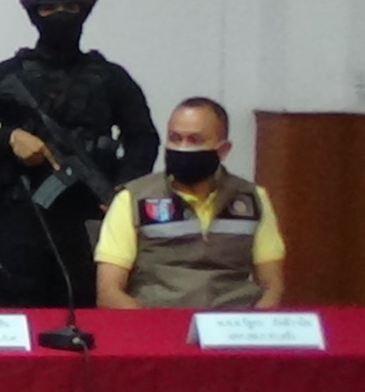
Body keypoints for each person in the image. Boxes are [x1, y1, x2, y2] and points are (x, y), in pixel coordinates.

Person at [0, 0, 157, 307]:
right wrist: (9, 139)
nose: (60, 16)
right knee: (19, 311)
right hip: (21, 214)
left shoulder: (110, 78)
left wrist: (123, 189)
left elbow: (143, 139)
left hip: (90, 213)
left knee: (90, 309)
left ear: (85, 10)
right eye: (48, 8)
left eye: (70, 7)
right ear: (34, 12)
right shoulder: (6, 76)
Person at [95, 97, 285, 309]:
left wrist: (253, 325)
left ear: (223, 150)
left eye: (195, 140)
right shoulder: (132, 199)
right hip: (159, 317)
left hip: (232, 318)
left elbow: (272, 287)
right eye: (175, 139)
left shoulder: (252, 199)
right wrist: (149, 326)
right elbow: (109, 292)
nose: (183, 148)